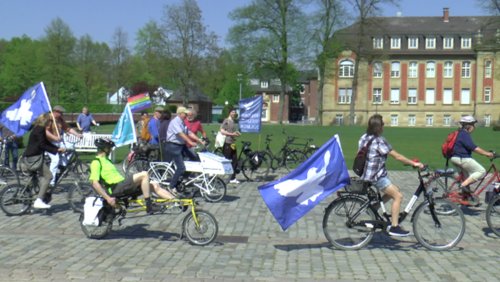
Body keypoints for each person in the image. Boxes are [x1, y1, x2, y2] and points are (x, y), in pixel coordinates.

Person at [359, 114, 424, 237]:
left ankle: (375, 207)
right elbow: (397, 156)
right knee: (398, 196)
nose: (384, 126)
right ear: (379, 127)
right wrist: (414, 163)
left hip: (366, 173)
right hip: (376, 176)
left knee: (395, 190)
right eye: (382, 124)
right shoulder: (379, 141)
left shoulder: (364, 137)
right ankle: (394, 226)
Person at [89, 138, 176, 214]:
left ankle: (177, 202)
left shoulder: (107, 160)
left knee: (154, 185)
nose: (111, 150)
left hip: (122, 185)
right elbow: (95, 183)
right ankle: (149, 206)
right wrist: (108, 198)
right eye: (109, 148)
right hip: (115, 188)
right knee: (144, 174)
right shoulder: (96, 162)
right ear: (105, 149)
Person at [25, 113, 66, 209]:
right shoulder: (39, 129)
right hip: (34, 158)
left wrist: (57, 148)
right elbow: (42, 145)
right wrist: (56, 150)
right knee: (48, 176)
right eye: (50, 121)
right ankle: (38, 200)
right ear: (46, 121)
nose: (51, 123)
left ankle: (38, 193)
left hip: (33, 156)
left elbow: (46, 142)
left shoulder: (39, 128)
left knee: (40, 179)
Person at [165, 106, 205, 194]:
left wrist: (199, 140)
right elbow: (181, 134)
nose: (187, 115)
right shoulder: (175, 122)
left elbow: (189, 133)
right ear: (180, 114)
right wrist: (190, 142)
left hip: (181, 146)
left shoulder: (182, 122)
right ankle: (171, 186)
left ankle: (182, 179)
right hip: (173, 146)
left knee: (195, 159)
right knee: (181, 167)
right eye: (185, 113)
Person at [450, 116, 494, 193]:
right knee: (481, 171)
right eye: (473, 125)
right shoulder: (464, 134)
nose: (474, 127)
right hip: (462, 158)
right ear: (469, 126)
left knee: (466, 178)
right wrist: (487, 153)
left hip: (455, 158)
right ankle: (462, 186)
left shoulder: (459, 133)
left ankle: (465, 197)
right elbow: (473, 148)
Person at [45, 105, 83, 187]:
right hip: (49, 143)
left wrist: (77, 134)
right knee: (55, 160)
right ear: (55, 112)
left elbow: (68, 129)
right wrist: (54, 137)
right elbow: (46, 132)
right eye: (61, 113)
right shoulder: (49, 119)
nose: (62, 115)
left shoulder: (60, 119)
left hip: (58, 142)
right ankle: (51, 181)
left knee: (70, 148)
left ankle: (62, 166)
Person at [220, 108, 241, 184]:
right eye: (232, 112)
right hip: (227, 143)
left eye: (235, 112)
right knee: (226, 161)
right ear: (229, 113)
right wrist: (232, 134)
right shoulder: (227, 121)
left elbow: (231, 131)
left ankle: (232, 178)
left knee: (235, 160)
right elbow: (222, 131)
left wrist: (236, 133)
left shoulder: (233, 121)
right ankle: (219, 176)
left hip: (232, 143)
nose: (234, 113)